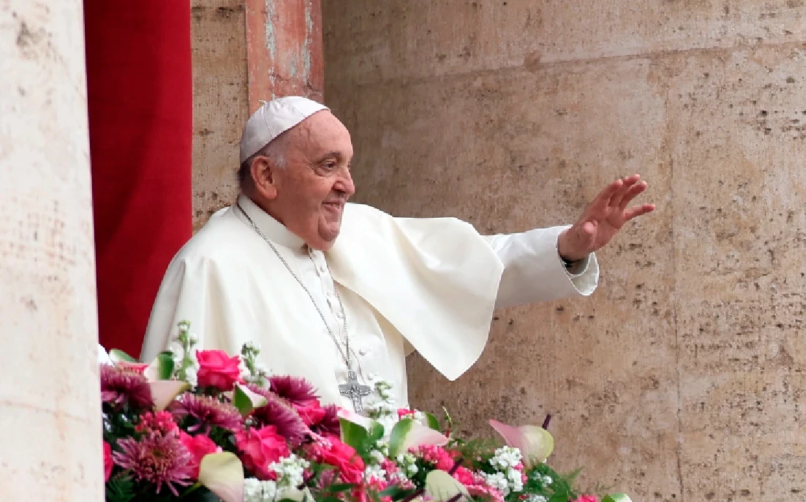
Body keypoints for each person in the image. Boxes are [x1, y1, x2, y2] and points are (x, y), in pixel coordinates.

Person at [140, 96, 653, 413]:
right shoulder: (211, 265)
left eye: (348, 164)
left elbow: (476, 267)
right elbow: (173, 418)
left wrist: (567, 247)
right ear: (267, 177)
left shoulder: (363, 233)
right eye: (328, 165)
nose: (348, 184)